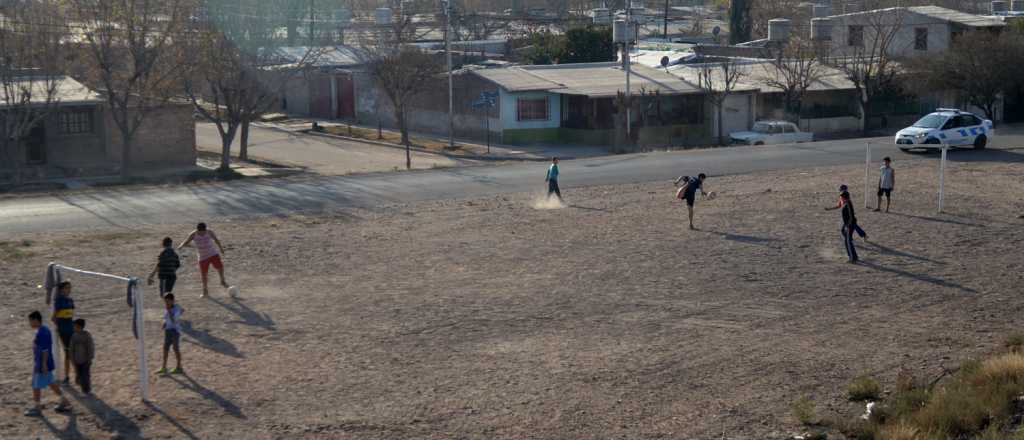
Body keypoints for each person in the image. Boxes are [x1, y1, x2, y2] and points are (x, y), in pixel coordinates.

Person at [26, 311, 71, 417]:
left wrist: (43, 365)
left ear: (36, 320)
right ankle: (64, 401)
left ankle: (37, 408)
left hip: (42, 364)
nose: (30, 323)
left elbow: (45, 350)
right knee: (51, 383)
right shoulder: (44, 330)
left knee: (36, 386)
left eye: (30, 321)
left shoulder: (42, 333)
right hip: (44, 363)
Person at [178, 223, 229, 298]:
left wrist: (221, 249)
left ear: (205, 229)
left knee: (220, 267)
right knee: (204, 274)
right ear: (197, 230)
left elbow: (216, 240)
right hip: (202, 257)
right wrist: (181, 246)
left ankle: (222, 280)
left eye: (203, 232)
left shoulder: (209, 232)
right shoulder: (193, 234)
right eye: (200, 232)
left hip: (213, 253)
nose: (202, 233)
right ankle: (205, 291)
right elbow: (186, 242)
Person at [51, 281, 75, 384]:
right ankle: (67, 377)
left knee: (73, 352)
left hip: (72, 329)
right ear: (61, 290)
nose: (69, 290)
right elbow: (53, 317)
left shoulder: (70, 301)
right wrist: (59, 326)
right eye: (66, 288)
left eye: (69, 288)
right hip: (64, 331)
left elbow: (71, 316)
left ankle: (74, 375)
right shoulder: (59, 301)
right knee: (68, 353)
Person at [158, 294, 184, 375]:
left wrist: (169, 311)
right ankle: (164, 367)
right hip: (168, 330)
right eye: (165, 301)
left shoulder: (177, 309)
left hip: (175, 331)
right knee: (165, 349)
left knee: (176, 349)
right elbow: (166, 318)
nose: (166, 303)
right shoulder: (167, 308)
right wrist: (164, 323)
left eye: (168, 301)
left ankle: (179, 367)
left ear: (172, 301)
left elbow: (174, 321)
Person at [68, 319, 95, 395]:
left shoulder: (87, 336)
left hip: (85, 360)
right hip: (77, 360)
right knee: (79, 375)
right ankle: (84, 388)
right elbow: (71, 348)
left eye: (74, 326)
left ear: (79, 326)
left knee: (85, 375)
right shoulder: (74, 336)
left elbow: (90, 347)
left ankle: (86, 390)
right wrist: (72, 358)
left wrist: (90, 358)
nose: (73, 328)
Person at [839, 191, 859, 263]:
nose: (840, 198)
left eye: (841, 197)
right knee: (847, 238)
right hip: (848, 224)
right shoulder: (846, 203)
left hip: (850, 224)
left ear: (844, 197)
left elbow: (851, 216)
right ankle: (854, 256)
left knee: (847, 241)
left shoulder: (847, 204)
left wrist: (848, 225)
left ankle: (852, 258)